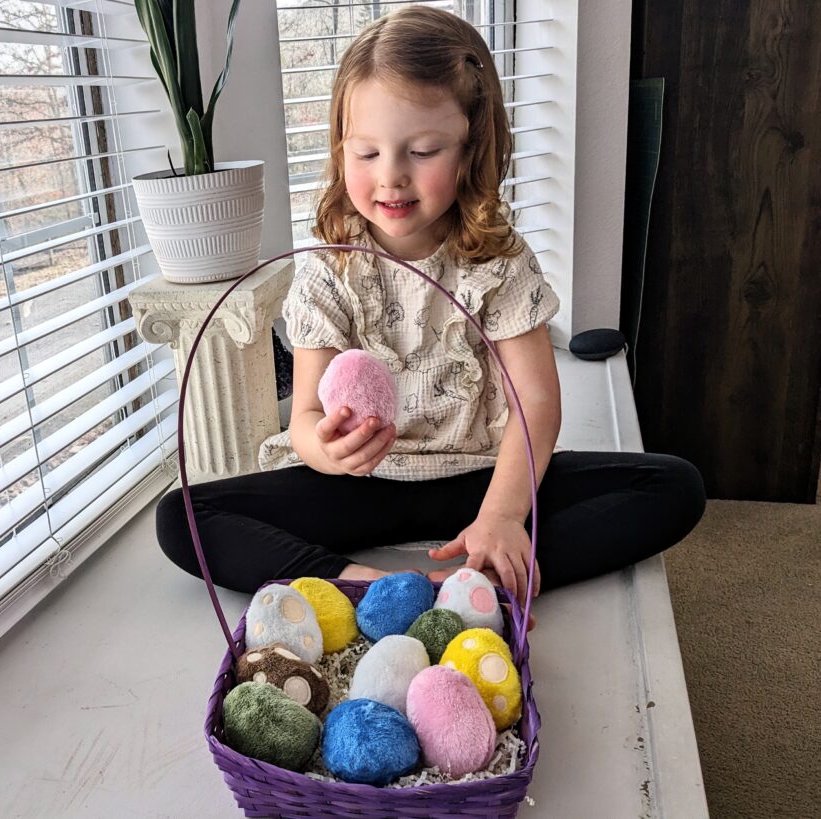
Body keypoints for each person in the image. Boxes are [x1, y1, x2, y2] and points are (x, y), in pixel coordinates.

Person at [156, 6, 705, 602]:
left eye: (421, 151)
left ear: (471, 151)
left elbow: (537, 400)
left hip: (480, 476)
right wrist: (329, 449)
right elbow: (305, 422)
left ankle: (491, 576)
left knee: (673, 486)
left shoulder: (498, 260)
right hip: (361, 487)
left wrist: (501, 515)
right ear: (341, 152)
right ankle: (359, 586)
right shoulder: (329, 265)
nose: (391, 177)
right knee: (178, 517)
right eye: (366, 153)